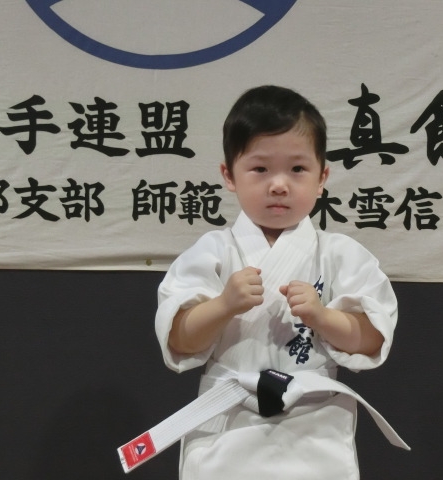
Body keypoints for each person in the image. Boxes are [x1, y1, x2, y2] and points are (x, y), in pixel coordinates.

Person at [153, 85, 407, 479]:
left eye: (297, 169)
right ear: (229, 175)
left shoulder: (341, 254)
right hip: (227, 421)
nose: (279, 184)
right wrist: (223, 306)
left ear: (322, 176)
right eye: (260, 169)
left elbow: (371, 340)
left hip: (315, 421)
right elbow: (179, 340)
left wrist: (323, 317)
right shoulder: (211, 251)